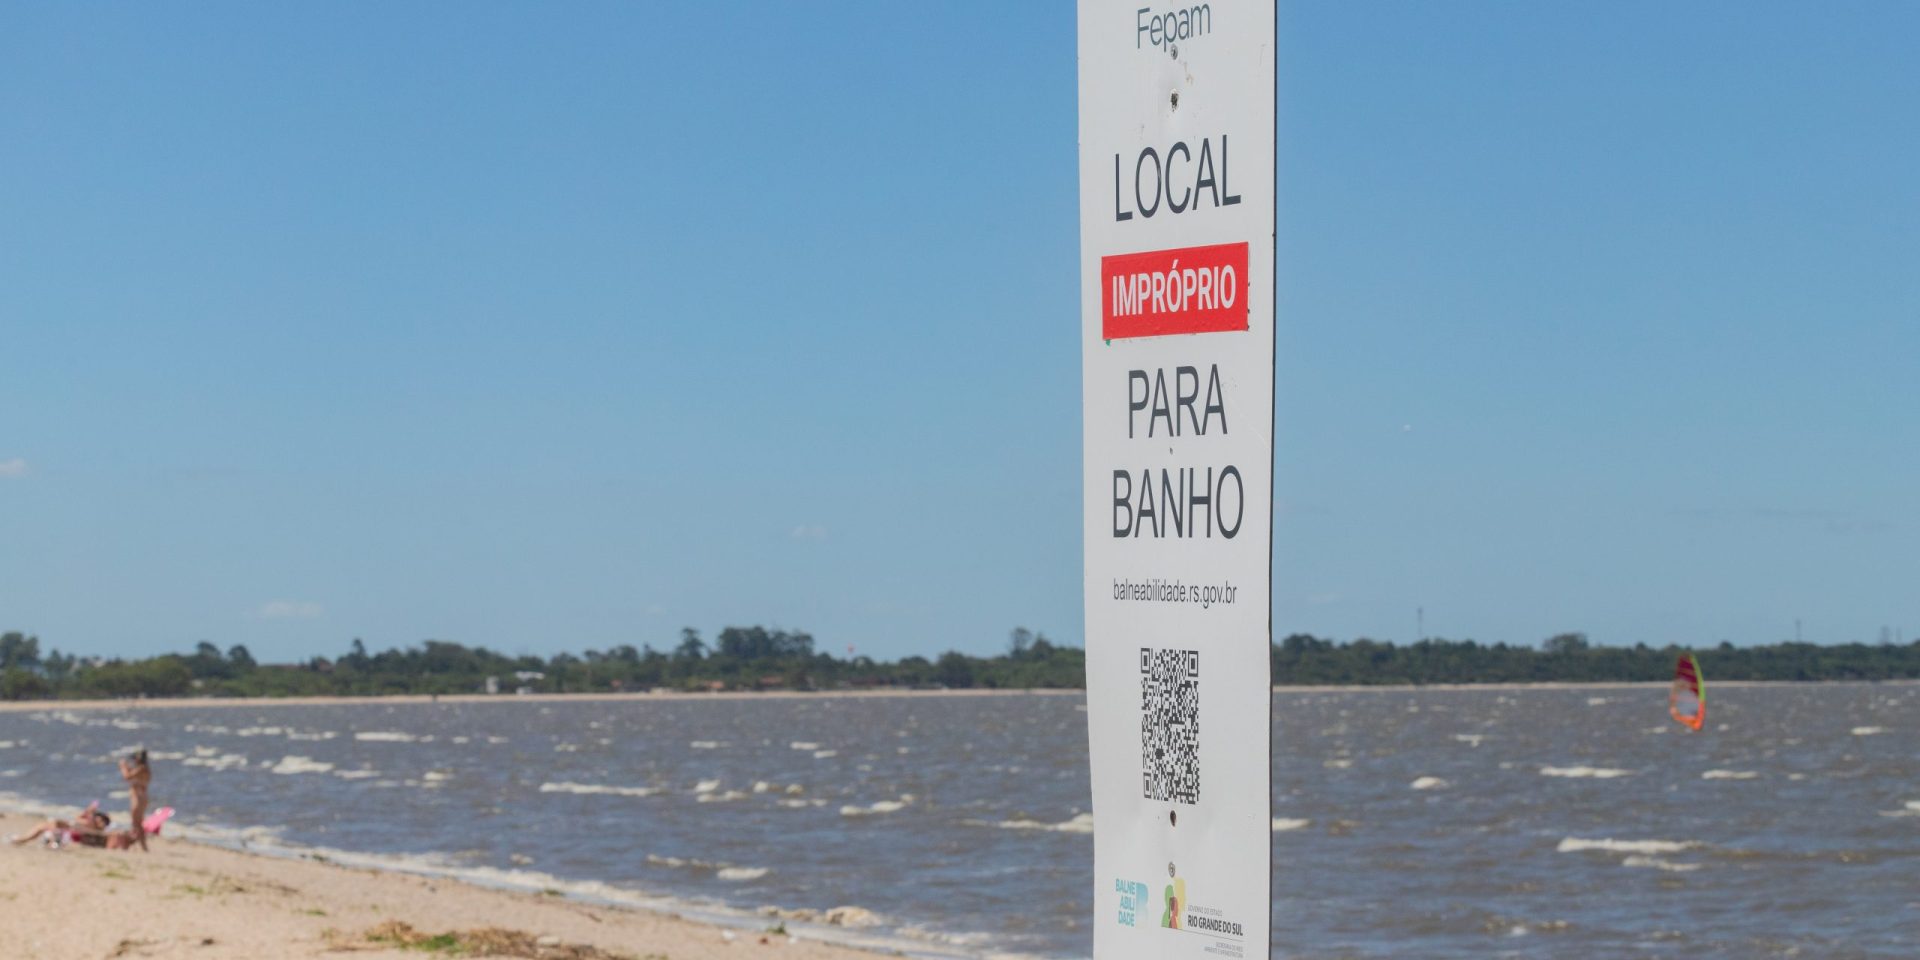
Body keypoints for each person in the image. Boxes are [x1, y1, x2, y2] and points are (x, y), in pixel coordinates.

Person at [9, 803, 110, 848]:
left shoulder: (94, 827)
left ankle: (22, 840)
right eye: (99, 818)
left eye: (101, 821)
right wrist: (88, 811)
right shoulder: (90, 823)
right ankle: (22, 839)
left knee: (49, 824)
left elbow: (79, 821)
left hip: (66, 829)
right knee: (42, 826)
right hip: (67, 828)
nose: (99, 820)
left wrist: (89, 811)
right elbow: (77, 818)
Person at [119, 748, 152, 852]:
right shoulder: (144, 769)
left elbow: (127, 777)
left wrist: (123, 767)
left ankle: (139, 845)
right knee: (137, 823)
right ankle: (141, 846)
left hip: (138, 797)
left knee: (136, 823)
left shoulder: (142, 768)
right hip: (141, 797)